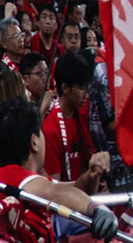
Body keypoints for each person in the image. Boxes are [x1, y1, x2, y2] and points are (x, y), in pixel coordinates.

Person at [0, 98, 119, 243]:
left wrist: (92, 174)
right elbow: (55, 193)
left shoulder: (12, 177)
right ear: (34, 142)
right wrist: (96, 208)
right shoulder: (17, 178)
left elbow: (71, 191)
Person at [45, 50, 111, 193]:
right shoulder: (50, 130)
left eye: (87, 89)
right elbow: (55, 189)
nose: (86, 95)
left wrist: (97, 182)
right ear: (65, 88)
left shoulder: (82, 115)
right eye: (82, 89)